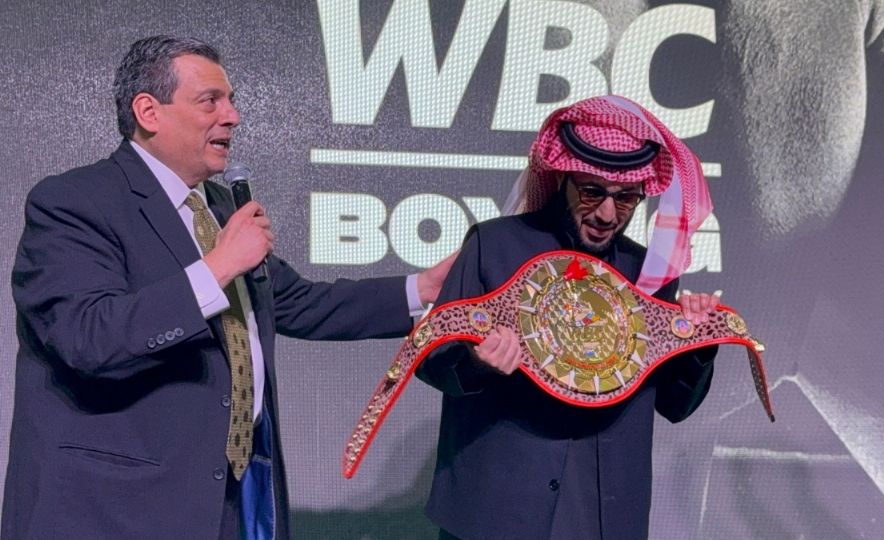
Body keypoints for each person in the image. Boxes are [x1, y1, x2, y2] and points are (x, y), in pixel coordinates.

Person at [1, 35, 452, 540]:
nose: (232, 116)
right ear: (148, 111)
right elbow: (88, 337)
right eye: (210, 100)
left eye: (231, 99)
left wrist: (425, 287)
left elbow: (301, 304)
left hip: (227, 501)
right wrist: (218, 266)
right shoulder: (74, 202)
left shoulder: (214, 207)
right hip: (113, 509)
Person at [416, 96, 722, 540]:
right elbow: (432, 356)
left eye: (626, 198)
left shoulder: (649, 274)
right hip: (494, 511)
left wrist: (699, 344)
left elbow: (674, 406)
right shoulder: (494, 245)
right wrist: (475, 363)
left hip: (599, 515)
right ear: (563, 178)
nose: (606, 214)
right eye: (593, 191)